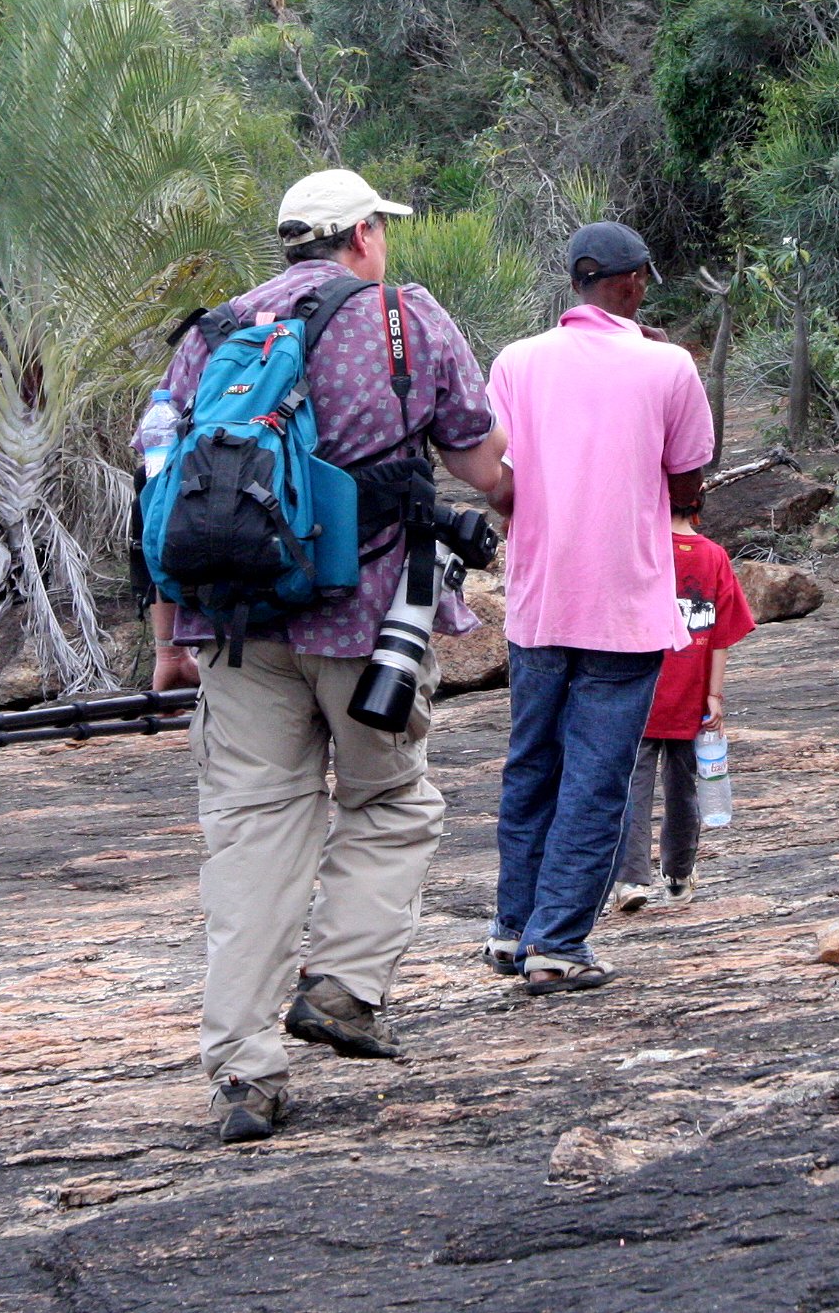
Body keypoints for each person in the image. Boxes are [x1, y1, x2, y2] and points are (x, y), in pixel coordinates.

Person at [144, 168, 507, 1144]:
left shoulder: (210, 336)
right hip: (367, 626)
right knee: (392, 801)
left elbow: (164, 489)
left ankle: (245, 1074)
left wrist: (167, 640)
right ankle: (343, 985)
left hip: (235, 625)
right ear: (359, 237)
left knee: (252, 837)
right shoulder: (405, 320)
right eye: (378, 228)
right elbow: (481, 461)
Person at [483, 221, 715, 994]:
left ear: (576, 281)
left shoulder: (517, 361)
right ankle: (559, 942)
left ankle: (513, 927)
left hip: (539, 600)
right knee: (597, 775)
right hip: (621, 602)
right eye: (645, 277)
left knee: (533, 764)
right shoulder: (668, 364)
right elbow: (687, 479)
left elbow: (498, 478)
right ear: (631, 282)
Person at [610, 489, 756, 913]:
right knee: (683, 787)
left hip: (638, 693)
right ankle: (677, 875)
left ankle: (629, 879)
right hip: (691, 696)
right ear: (697, 508)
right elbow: (722, 635)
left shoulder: (643, 551)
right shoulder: (713, 557)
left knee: (631, 788)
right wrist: (714, 694)